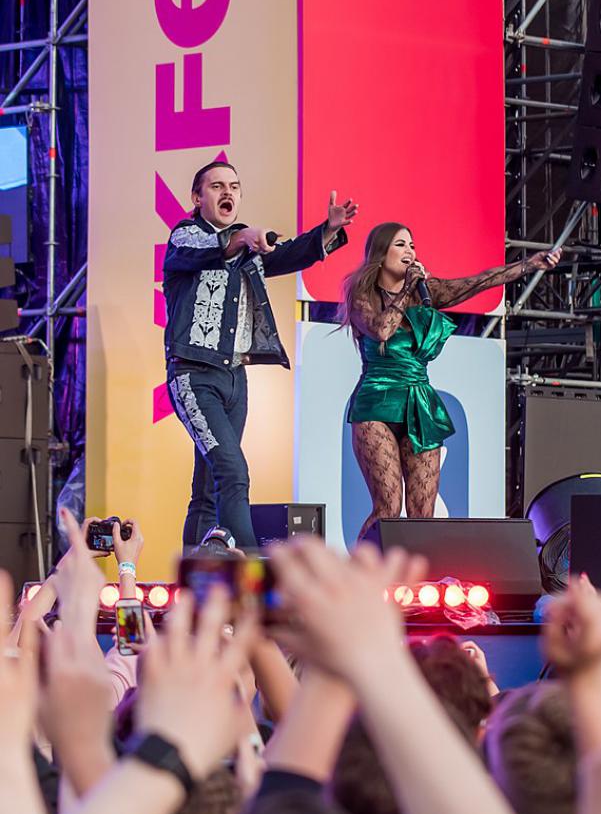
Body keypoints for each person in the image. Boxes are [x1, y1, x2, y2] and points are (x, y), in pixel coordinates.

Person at [162, 160, 357, 546]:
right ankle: (250, 568)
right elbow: (214, 247)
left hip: (235, 378)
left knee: (208, 488)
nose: (227, 192)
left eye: (234, 186)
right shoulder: (185, 237)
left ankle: (196, 573)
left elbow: (289, 254)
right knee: (233, 473)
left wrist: (329, 230)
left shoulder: (247, 250)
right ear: (197, 198)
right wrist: (243, 237)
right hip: (194, 376)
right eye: (217, 186)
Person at [341, 222, 560, 537]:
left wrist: (528, 265)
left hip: (419, 404)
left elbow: (479, 281)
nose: (409, 251)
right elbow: (382, 329)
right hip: (376, 403)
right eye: (400, 245)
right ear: (381, 252)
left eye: (412, 245)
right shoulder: (361, 293)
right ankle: (362, 568)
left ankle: (417, 571)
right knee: (388, 507)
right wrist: (407, 289)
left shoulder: (424, 292)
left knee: (422, 514)